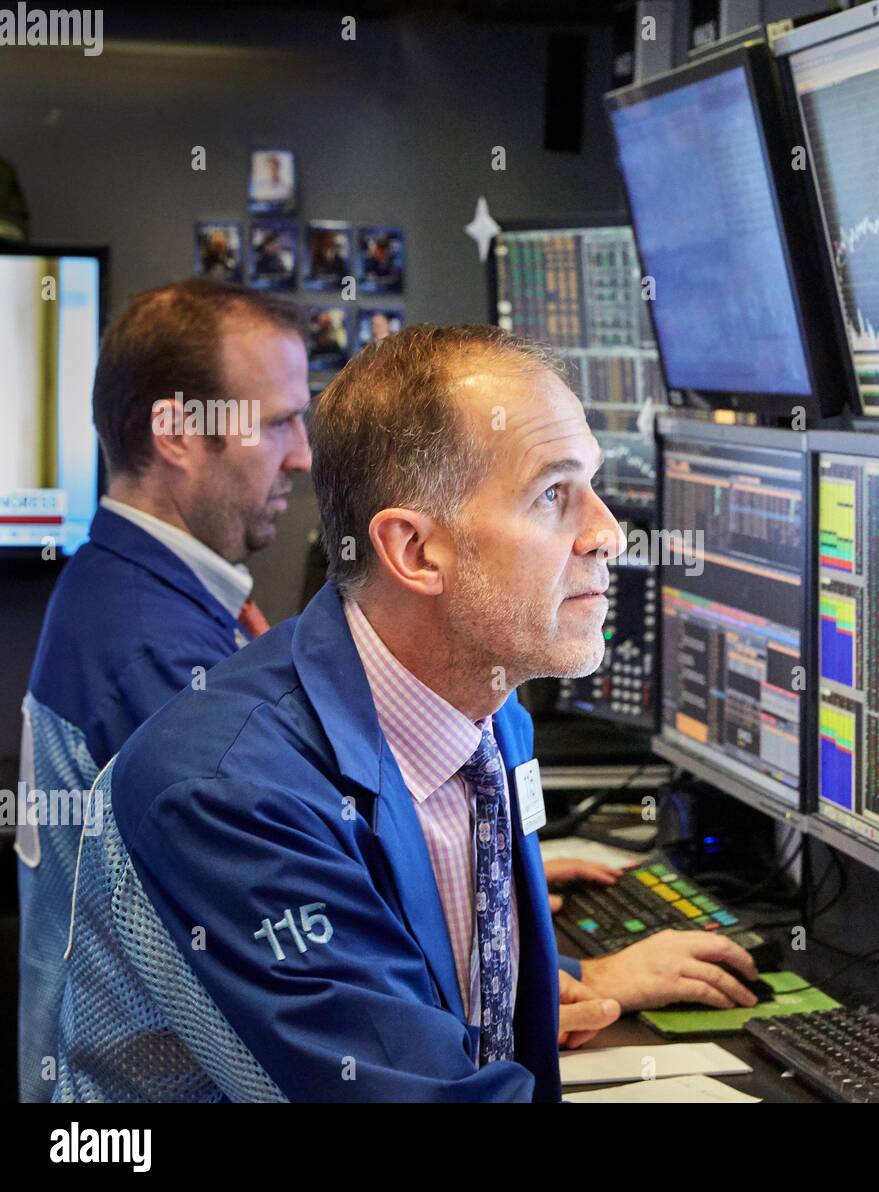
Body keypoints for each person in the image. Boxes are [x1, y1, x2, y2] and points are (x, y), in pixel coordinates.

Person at [53, 324, 757, 1102]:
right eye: (553, 494)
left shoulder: (491, 715)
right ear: (416, 552)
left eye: (589, 484)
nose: (608, 533)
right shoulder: (230, 794)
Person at [16, 279, 311, 1102]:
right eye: (279, 420)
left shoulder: (116, 587)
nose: (304, 453)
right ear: (179, 433)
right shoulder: (156, 651)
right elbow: (289, 931)